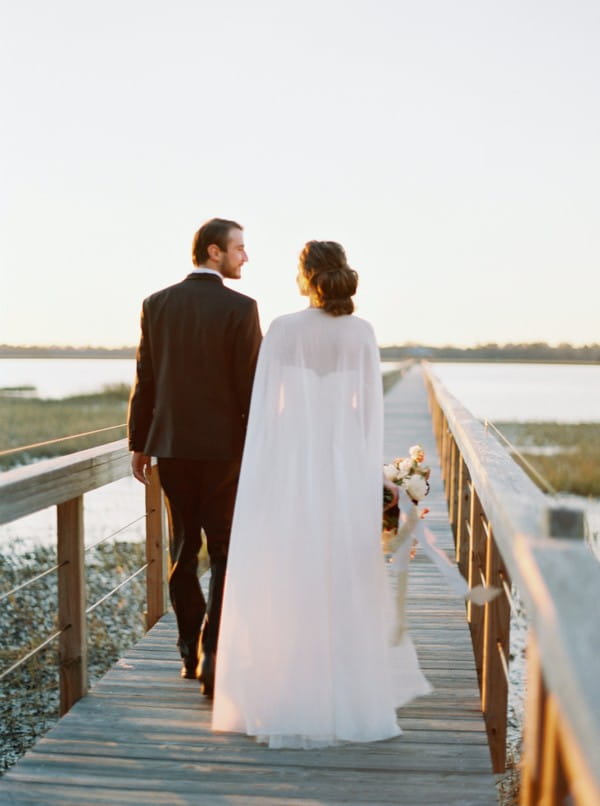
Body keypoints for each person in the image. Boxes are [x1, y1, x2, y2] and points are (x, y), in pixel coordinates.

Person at [212, 240, 430, 748]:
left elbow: (265, 411)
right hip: (343, 462)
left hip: (291, 463)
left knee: (288, 570)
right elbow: (369, 414)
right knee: (343, 571)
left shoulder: (284, 330)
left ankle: (285, 691)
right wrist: (371, 473)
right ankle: (344, 693)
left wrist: (260, 475)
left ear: (304, 276)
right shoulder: (361, 333)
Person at [127, 217, 262, 697]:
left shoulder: (157, 304)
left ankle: (187, 652)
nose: (245, 257)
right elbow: (252, 388)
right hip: (227, 451)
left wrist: (139, 442)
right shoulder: (241, 308)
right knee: (225, 550)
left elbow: (146, 378)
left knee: (184, 549)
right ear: (213, 252)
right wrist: (260, 447)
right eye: (239, 248)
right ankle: (213, 654)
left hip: (173, 449)